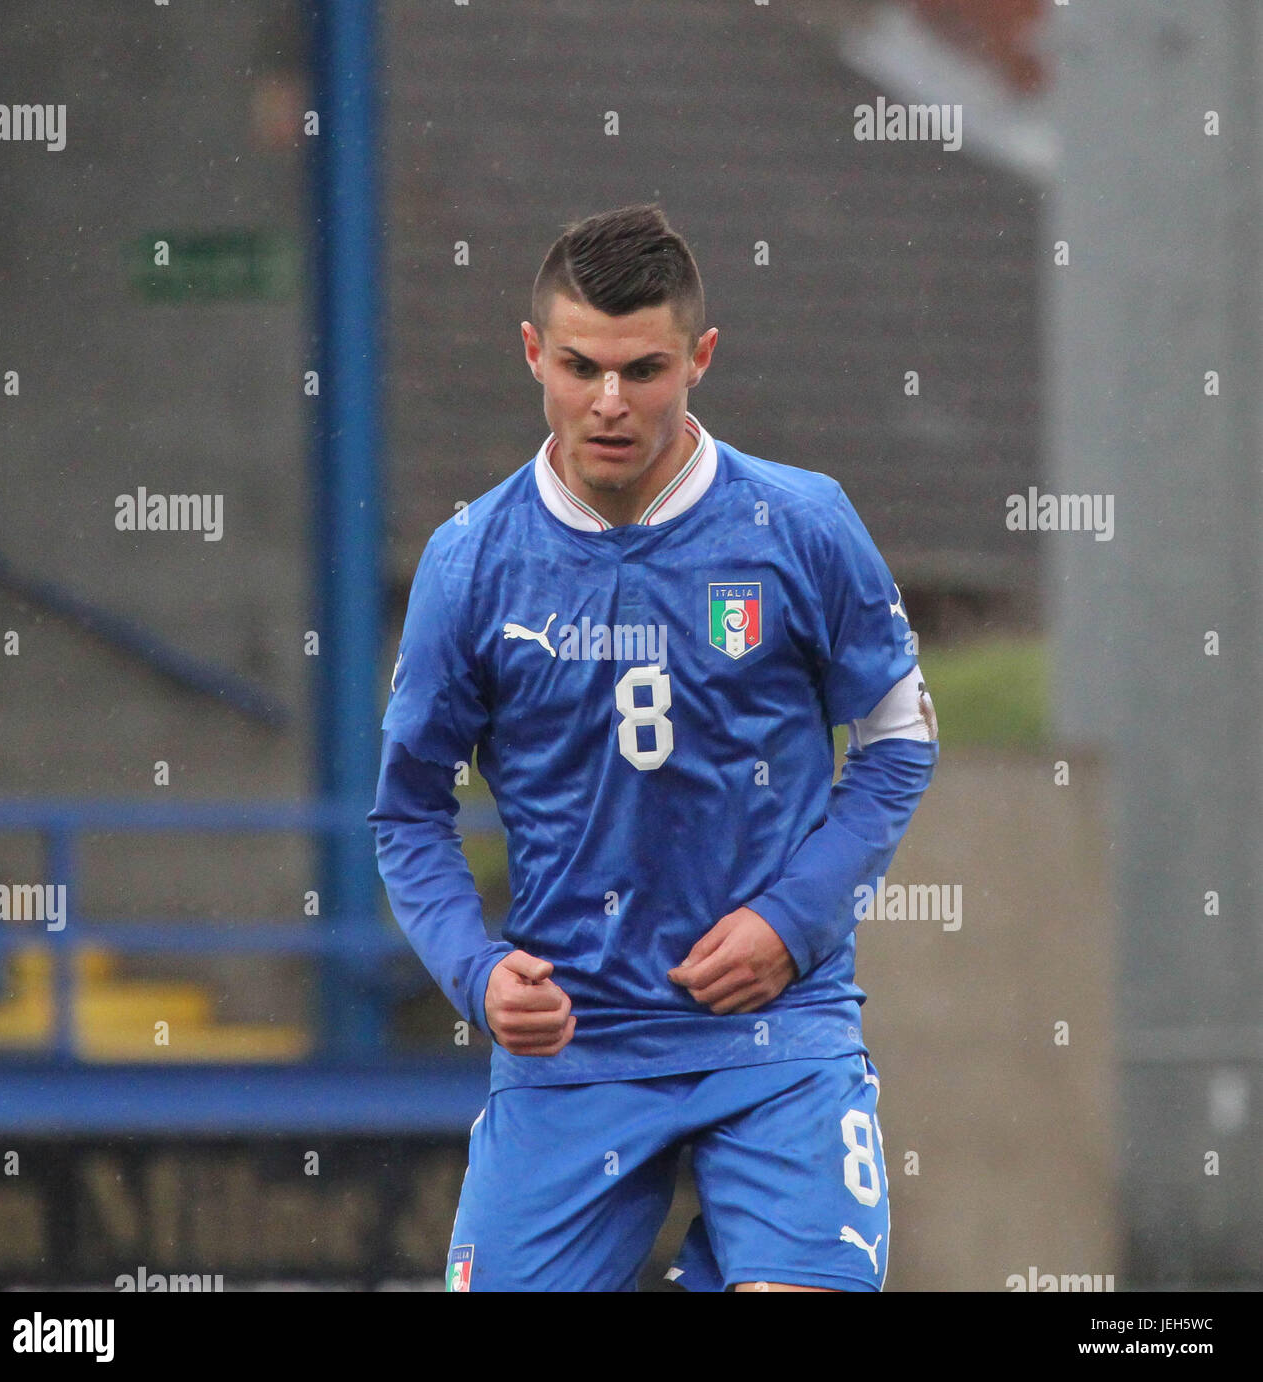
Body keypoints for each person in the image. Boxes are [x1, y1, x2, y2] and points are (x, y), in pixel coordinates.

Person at [368, 204, 938, 1292]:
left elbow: (899, 736)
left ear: (700, 360)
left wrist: (792, 917)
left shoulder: (802, 525)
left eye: (645, 368)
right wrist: (478, 972)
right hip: (571, 1047)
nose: (611, 401)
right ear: (533, 351)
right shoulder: (473, 561)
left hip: (774, 1038)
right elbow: (406, 811)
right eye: (580, 365)